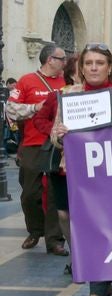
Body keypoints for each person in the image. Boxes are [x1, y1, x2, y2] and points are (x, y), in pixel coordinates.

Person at [51, 42, 112, 296]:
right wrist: (61, 133)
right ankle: (97, 288)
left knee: (107, 228)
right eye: (88, 63)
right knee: (87, 228)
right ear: (81, 69)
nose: (94, 67)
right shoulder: (69, 95)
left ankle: (99, 286)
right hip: (81, 176)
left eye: (99, 63)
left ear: (110, 67)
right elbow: (55, 137)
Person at [5, 44, 67, 256]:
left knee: (53, 194)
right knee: (30, 194)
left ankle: (54, 240)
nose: (65, 63)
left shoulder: (67, 82)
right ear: (50, 60)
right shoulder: (26, 81)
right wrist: (34, 108)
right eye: (62, 58)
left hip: (57, 143)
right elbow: (11, 108)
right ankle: (35, 230)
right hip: (32, 143)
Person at [32, 53, 80, 275]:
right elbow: (39, 119)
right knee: (64, 213)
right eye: (82, 66)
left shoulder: (108, 95)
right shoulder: (57, 96)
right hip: (62, 165)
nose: (88, 71)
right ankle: (76, 254)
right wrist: (55, 130)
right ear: (71, 72)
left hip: (91, 167)